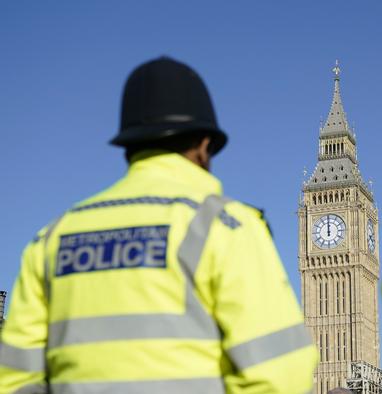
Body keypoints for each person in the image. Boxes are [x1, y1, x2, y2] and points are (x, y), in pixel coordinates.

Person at [0, 57, 317, 393]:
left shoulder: (53, 238)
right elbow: (282, 375)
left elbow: (14, 378)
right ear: (204, 145)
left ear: (129, 146)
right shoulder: (225, 226)